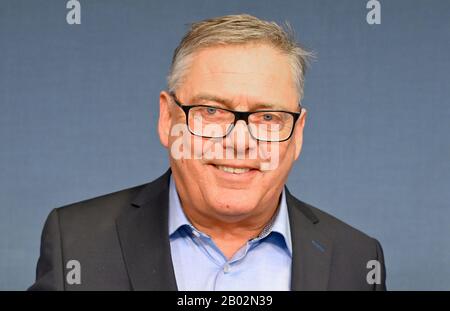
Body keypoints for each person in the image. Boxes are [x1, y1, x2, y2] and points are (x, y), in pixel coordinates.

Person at [29, 14, 386, 291]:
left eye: (267, 116)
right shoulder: (77, 243)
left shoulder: (356, 260)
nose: (239, 141)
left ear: (298, 134)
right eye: (212, 111)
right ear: (167, 119)